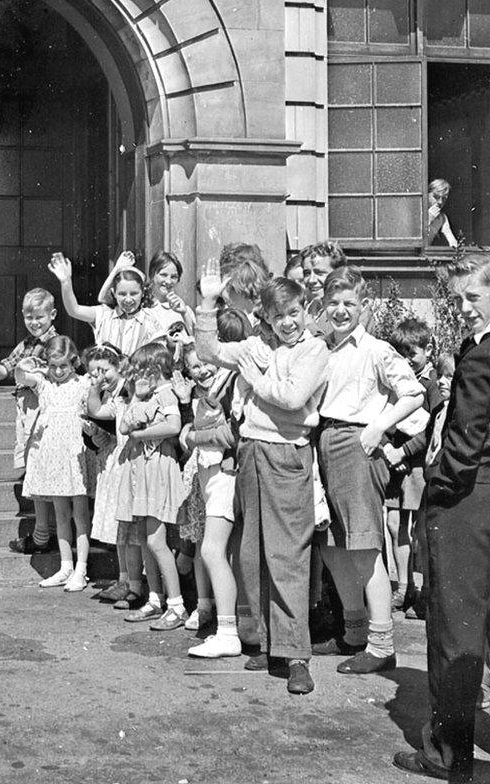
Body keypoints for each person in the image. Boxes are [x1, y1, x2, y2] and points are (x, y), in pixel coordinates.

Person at [395, 213, 490, 783]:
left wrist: (437, 493)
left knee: (455, 630)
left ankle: (449, 754)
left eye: (472, 297)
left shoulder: (481, 357)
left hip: (466, 495)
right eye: (458, 299)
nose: (463, 308)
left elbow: (461, 441)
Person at [197, 266, 330, 695]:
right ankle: (269, 643)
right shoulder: (255, 344)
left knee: (287, 554)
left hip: (288, 454)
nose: (289, 322)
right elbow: (207, 350)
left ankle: (297, 657)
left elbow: (293, 400)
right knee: (252, 553)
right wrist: (206, 302)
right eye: (279, 316)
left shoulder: (315, 350)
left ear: (305, 310)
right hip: (252, 453)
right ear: (267, 319)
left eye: (295, 312)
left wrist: (253, 378)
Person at [312, 267, 425, 675]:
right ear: (323, 306)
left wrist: (378, 427)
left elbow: (413, 395)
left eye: (349, 304)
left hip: (355, 443)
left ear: (364, 307)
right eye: (334, 303)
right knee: (332, 544)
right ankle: (355, 631)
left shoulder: (375, 350)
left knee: (363, 544)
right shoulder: (319, 346)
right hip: (321, 442)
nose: (341, 311)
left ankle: (382, 644)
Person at [0, 287, 58, 556]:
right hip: (26, 413)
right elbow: (1, 373)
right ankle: (43, 534)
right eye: (29, 318)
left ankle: (45, 536)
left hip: (46, 413)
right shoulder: (25, 345)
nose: (34, 323)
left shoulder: (58, 344)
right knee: (33, 471)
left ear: (52, 315)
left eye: (40, 317)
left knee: (43, 473)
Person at [179, 313, 244, 658]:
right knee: (215, 550)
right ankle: (229, 623)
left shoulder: (230, 384)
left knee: (212, 550)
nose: (203, 370)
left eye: (207, 363)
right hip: (207, 475)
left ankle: (228, 630)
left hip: (225, 474)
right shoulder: (206, 390)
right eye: (195, 366)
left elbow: (230, 433)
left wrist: (194, 435)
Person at [116, 342, 188, 631]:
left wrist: (140, 434)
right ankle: (155, 598)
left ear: (157, 368)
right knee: (146, 539)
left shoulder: (167, 392)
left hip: (158, 468)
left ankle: (177, 604)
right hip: (143, 469)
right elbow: (124, 427)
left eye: (143, 370)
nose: (138, 376)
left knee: (157, 541)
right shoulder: (148, 395)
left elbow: (172, 426)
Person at [19, 336, 95, 592]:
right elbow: (22, 378)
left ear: (73, 362)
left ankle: (81, 568)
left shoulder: (83, 383)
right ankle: (66, 566)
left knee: (80, 514)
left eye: (64, 365)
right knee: (61, 514)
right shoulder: (44, 384)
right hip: (53, 455)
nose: (59, 371)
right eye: (54, 366)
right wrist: (26, 365)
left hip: (75, 453)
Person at [385, 317, 443, 612]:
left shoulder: (430, 386)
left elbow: (433, 428)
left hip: (417, 465)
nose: (407, 360)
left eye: (412, 353)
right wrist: (389, 450)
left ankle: (424, 590)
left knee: (419, 531)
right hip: (396, 465)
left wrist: (405, 451)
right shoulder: (396, 384)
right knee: (395, 525)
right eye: (401, 354)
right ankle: (404, 587)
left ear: (428, 350)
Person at [84, 344, 143, 608]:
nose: (100, 376)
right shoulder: (113, 398)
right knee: (120, 530)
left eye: (104, 370)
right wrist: (94, 389)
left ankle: (136, 583)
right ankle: (124, 579)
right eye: (94, 371)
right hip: (117, 463)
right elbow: (96, 412)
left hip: (133, 462)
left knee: (131, 532)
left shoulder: (129, 392)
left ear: (119, 366)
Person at [406, 353, 457, 623]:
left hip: (444, 486)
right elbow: (425, 437)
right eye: (441, 376)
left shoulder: (460, 414)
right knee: (422, 539)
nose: (443, 382)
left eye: (450, 376)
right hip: (430, 484)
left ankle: (437, 600)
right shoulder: (439, 410)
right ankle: (426, 593)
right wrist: (400, 451)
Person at [48, 252, 166, 356]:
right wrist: (66, 281)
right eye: (122, 294)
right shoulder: (104, 315)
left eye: (134, 293)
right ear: (114, 293)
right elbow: (74, 310)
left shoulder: (150, 320)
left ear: (142, 293)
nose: (128, 299)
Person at [426, 178, 459, 248]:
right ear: (427, 195)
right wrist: (429, 217)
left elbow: (452, 241)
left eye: (444, 198)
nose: (440, 202)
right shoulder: (417, 212)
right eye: (436, 197)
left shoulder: (442, 218)